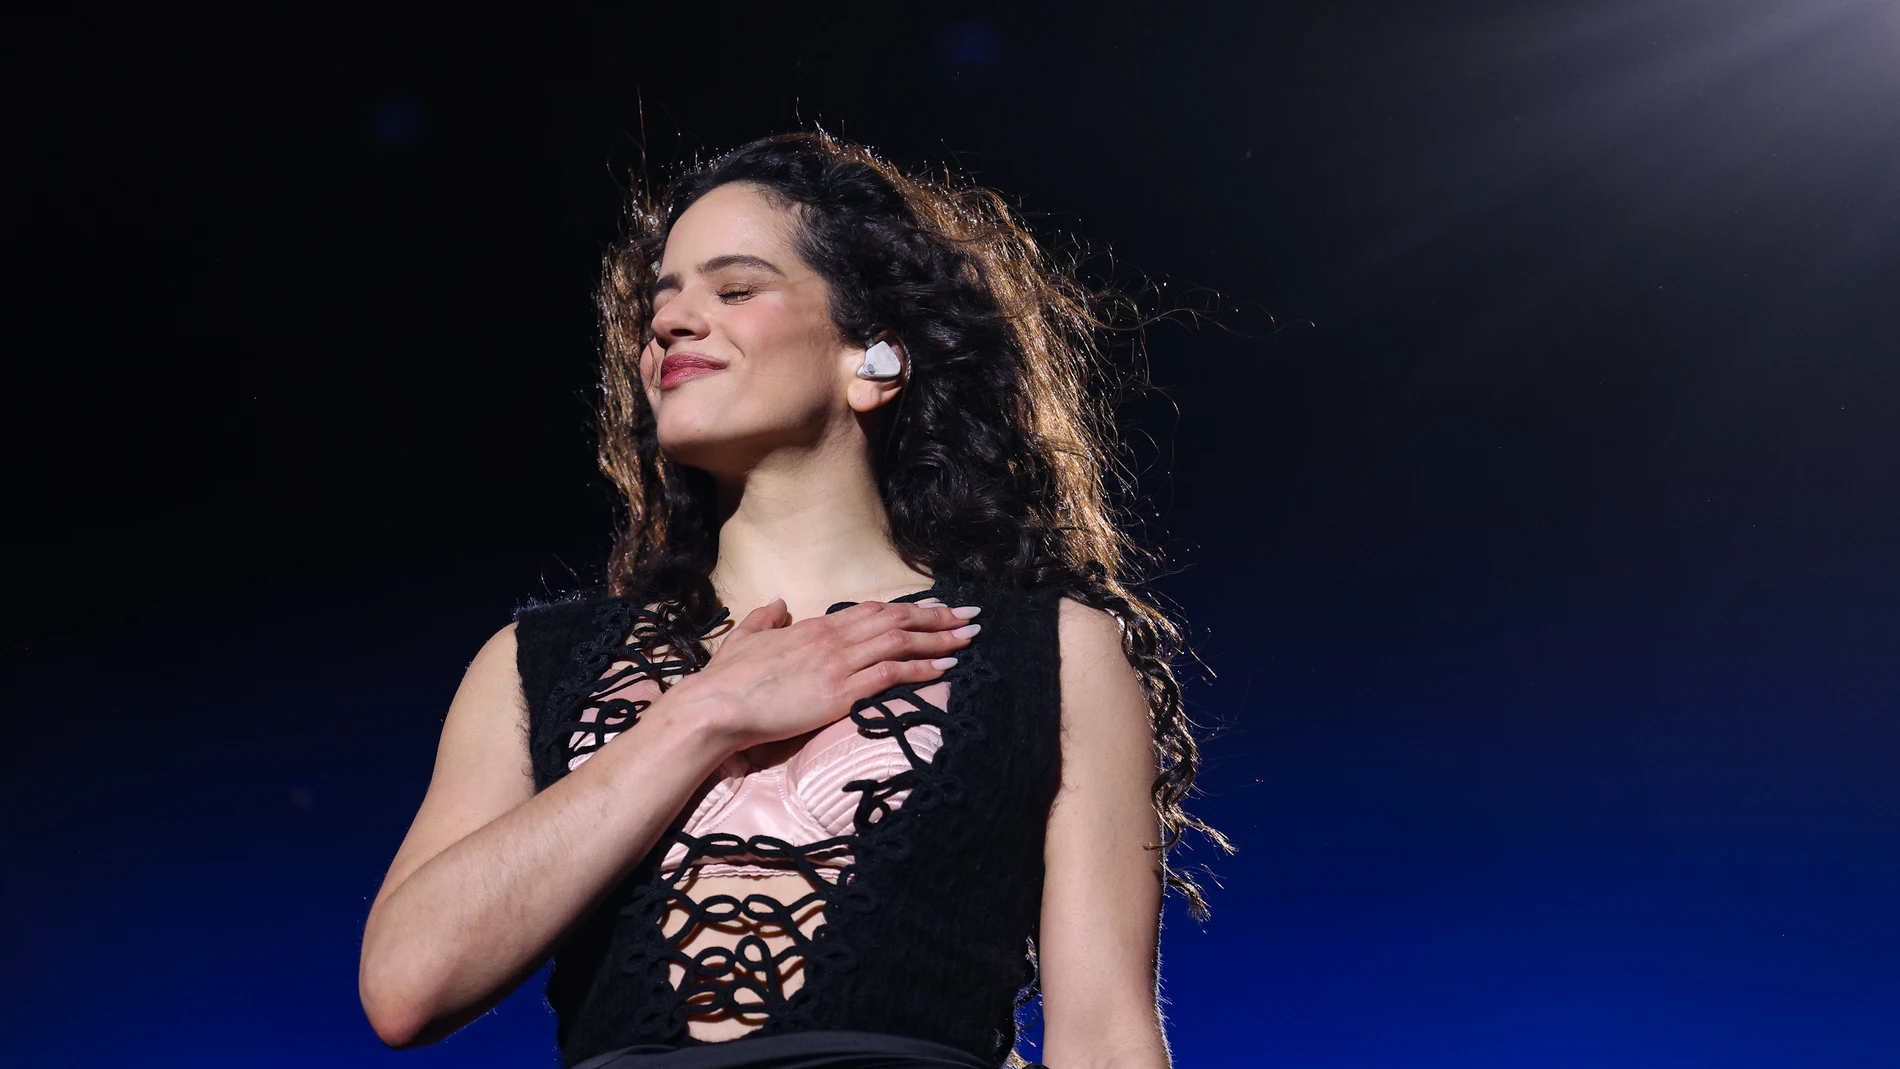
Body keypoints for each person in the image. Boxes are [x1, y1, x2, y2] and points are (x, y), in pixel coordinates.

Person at [358, 131, 1224, 1069]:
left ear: (875, 357)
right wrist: (703, 714)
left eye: (734, 289)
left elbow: (1104, 1040)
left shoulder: (1052, 654)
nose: (671, 324)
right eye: (663, 300)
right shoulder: (536, 663)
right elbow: (409, 985)